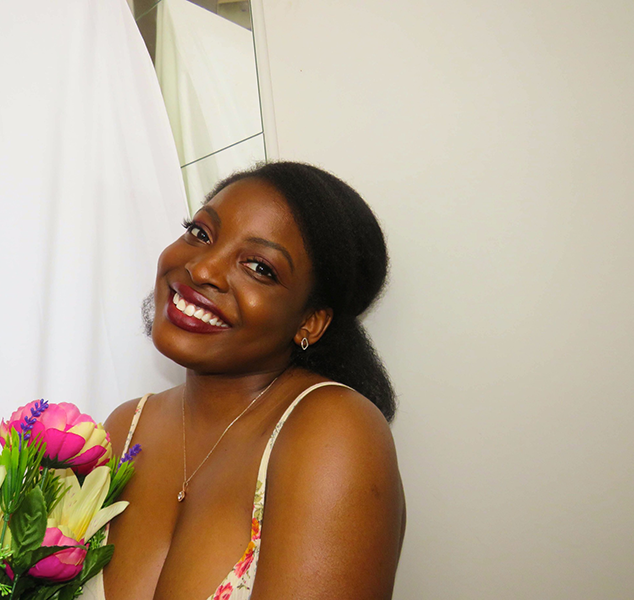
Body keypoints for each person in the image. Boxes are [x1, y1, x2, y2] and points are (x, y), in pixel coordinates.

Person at [92, 161, 406, 599]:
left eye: (259, 267)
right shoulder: (125, 429)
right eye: (200, 233)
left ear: (311, 322)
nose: (202, 269)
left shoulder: (333, 433)